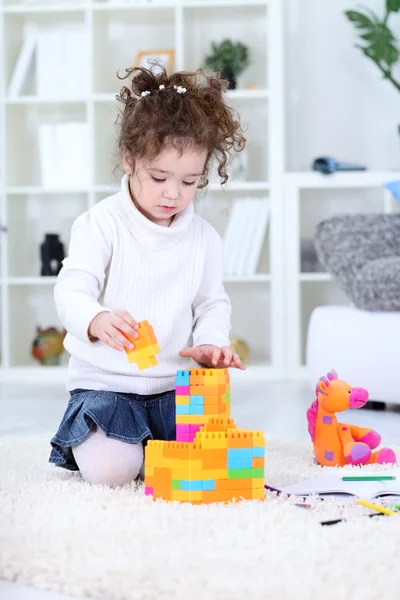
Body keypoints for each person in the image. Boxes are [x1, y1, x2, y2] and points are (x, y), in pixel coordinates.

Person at [49, 66, 247, 487]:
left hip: (175, 390)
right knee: (110, 473)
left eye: (189, 181)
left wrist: (213, 342)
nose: (173, 193)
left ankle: (153, 450)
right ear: (129, 158)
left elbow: (212, 302)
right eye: (159, 177)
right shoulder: (100, 224)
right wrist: (94, 319)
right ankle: (132, 452)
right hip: (106, 388)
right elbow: (72, 288)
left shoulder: (204, 239)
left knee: (216, 454)